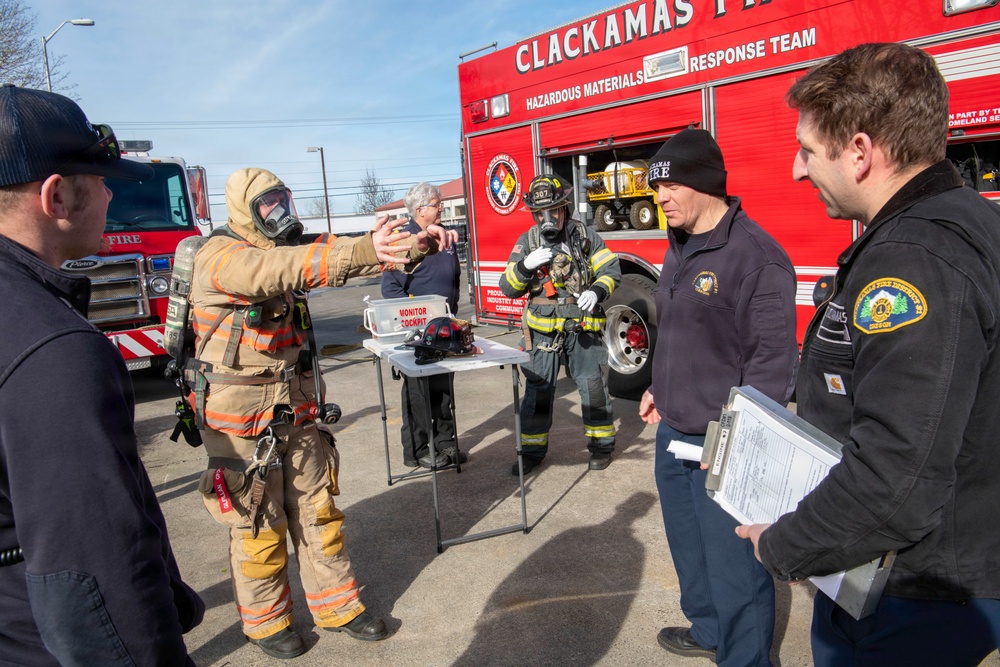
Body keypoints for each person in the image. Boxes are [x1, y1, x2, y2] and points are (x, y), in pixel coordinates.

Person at [735, 42, 1000, 665]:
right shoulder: (966, 222)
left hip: (909, 594)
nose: (798, 170)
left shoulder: (915, 261)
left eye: (806, 149)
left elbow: (896, 478)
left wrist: (786, 543)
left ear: (859, 152)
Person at [187, 167, 456, 659]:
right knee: (258, 523)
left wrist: (415, 247)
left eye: (284, 201)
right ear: (245, 210)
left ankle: (337, 606)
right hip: (242, 422)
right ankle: (266, 623)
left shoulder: (275, 253)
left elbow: (336, 261)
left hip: (296, 409)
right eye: (271, 205)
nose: (283, 213)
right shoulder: (221, 258)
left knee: (319, 511)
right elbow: (279, 270)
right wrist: (358, 250)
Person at [0, 85, 204, 664]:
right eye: (101, 178)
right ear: (57, 196)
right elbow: (90, 577)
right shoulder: (54, 350)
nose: (113, 191)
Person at [638, 129, 798, 665]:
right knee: (690, 552)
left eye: (669, 186)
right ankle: (708, 630)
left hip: (724, 444)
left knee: (735, 566)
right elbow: (684, 332)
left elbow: (771, 366)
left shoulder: (755, 257)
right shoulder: (678, 247)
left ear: (705, 183)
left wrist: (736, 442)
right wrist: (660, 386)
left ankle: (745, 656)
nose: (659, 198)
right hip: (673, 435)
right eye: (655, 188)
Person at [499, 173, 621, 474]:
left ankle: (601, 447)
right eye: (540, 213)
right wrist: (525, 267)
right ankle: (531, 452)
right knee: (538, 393)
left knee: (593, 387)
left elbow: (611, 269)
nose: (547, 218)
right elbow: (507, 287)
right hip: (543, 333)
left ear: (564, 208)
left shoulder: (584, 236)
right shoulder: (528, 241)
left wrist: (597, 290)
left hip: (582, 328)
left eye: (552, 210)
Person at [382, 182, 463, 469]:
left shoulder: (444, 237)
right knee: (418, 394)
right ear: (419, 210)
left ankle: (445, 442)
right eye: (437, 204)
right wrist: (413, 320)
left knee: (443, 391)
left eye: (440, 204)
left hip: (445, 329)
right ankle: (416, 451)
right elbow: (391, 288)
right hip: (417, 333)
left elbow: (452, 279)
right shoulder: (405, 241)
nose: (441, 208)